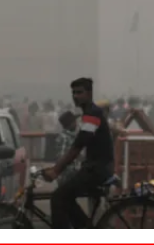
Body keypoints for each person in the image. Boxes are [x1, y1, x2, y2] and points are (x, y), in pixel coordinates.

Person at [43, 78, 116, 228]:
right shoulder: (90, 114)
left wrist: (56, 170)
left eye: (79, 92)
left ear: (89, 93)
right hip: (94, 167)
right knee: (66, 198)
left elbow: (78, 146)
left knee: (58, 198)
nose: (76, 96)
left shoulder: (92, 115)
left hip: (97, 169)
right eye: (74, 93)